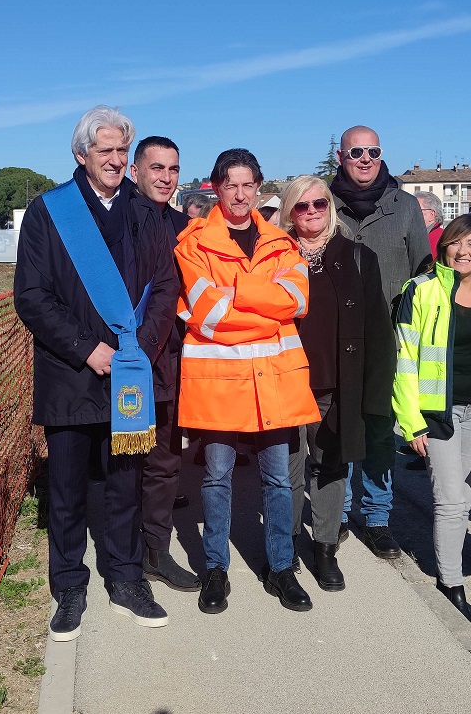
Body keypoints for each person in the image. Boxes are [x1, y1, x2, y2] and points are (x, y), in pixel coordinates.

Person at [14, 106, 181, 642]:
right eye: (104, 150)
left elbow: (164, 285)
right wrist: (89, 350)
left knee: (124, 484)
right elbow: (33, 297)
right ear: (80, 154)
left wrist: (143, 350)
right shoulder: (49, 212)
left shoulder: (146, 211)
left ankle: (127, 580)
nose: (114, 160)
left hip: (131, 374)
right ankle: (68, 587)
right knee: (64, 490)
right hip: (71, 374)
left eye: (121, 152)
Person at [177, 148, 321, 614]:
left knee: (279, 482)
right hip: (220, 384)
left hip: (273, 383)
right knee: (216, 479)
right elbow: (206, 314)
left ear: (259, 187)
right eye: (230, 185)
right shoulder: (193, 243)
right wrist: (265, 309)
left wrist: (237, 290)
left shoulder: (282, 243)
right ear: (216, 187)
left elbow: (296, 301)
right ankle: (215, 570)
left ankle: (282, 569)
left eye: (248, 185)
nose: (240, 195)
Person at [279, 175, 395, 591]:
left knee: (330, 466)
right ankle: (287, 543)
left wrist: (375, 394)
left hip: (335, 384)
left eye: (319, 204)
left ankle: (325, 547)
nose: (311, 212)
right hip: (284, 382)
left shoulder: (359, 257)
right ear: (289, 213)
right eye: (301, 206)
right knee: (287, 471)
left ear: (330, 207)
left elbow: (379, 331)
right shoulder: (273, 257)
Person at [391, 214, 471, 631]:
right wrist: (411, 421)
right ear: (444, 248)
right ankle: (451, 583)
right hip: (437, 412)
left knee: (465, 494)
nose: (463, 251)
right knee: (451, 499)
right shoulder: (420, 291)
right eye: (456, 243)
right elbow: (403, 359)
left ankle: (450, 564)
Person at [328, 125, 433, 560]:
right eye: (356, 152)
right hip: (333, 340)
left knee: (377, 432)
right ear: (341, 156)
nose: (365, 159)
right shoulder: (321, 204)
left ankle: (376, 517)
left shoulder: (405, 207)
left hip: (387, 341)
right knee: (334, 428)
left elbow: (424, 274)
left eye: (372, 151)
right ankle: (334, 515)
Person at [128, 135, 198, 592]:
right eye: (156, 168)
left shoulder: (186, 227)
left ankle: (155, 549)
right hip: (129, 361)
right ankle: (127, 546)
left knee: (166, 457)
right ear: (135, 171)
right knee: (129, 453)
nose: (165, 178)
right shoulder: (114, 223)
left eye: (173, 169)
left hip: (174, 358)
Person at [412, 190, 444, 259]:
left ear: (432, 214)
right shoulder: (422, 235)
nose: (411, 214)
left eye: (416, 210)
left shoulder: (439, 238)